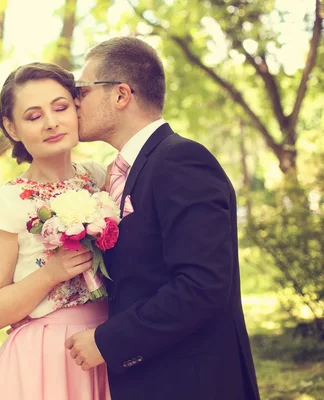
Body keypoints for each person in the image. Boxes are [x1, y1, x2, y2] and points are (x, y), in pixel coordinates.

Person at [64, 36, 261, 399]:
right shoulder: (120, 172)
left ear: (121, 95)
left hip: (194, 381)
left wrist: (108, 341)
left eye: (83, 90)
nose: (75, 102)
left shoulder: (180, 160)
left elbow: (203, 285)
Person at [0, 62, 111, 400]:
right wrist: (51, 273)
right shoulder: (6, 203)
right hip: (46, 359)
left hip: (107, 344)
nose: (52, 122)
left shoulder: (99, 178)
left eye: (61, 107)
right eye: (34, 116)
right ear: (12, 127)